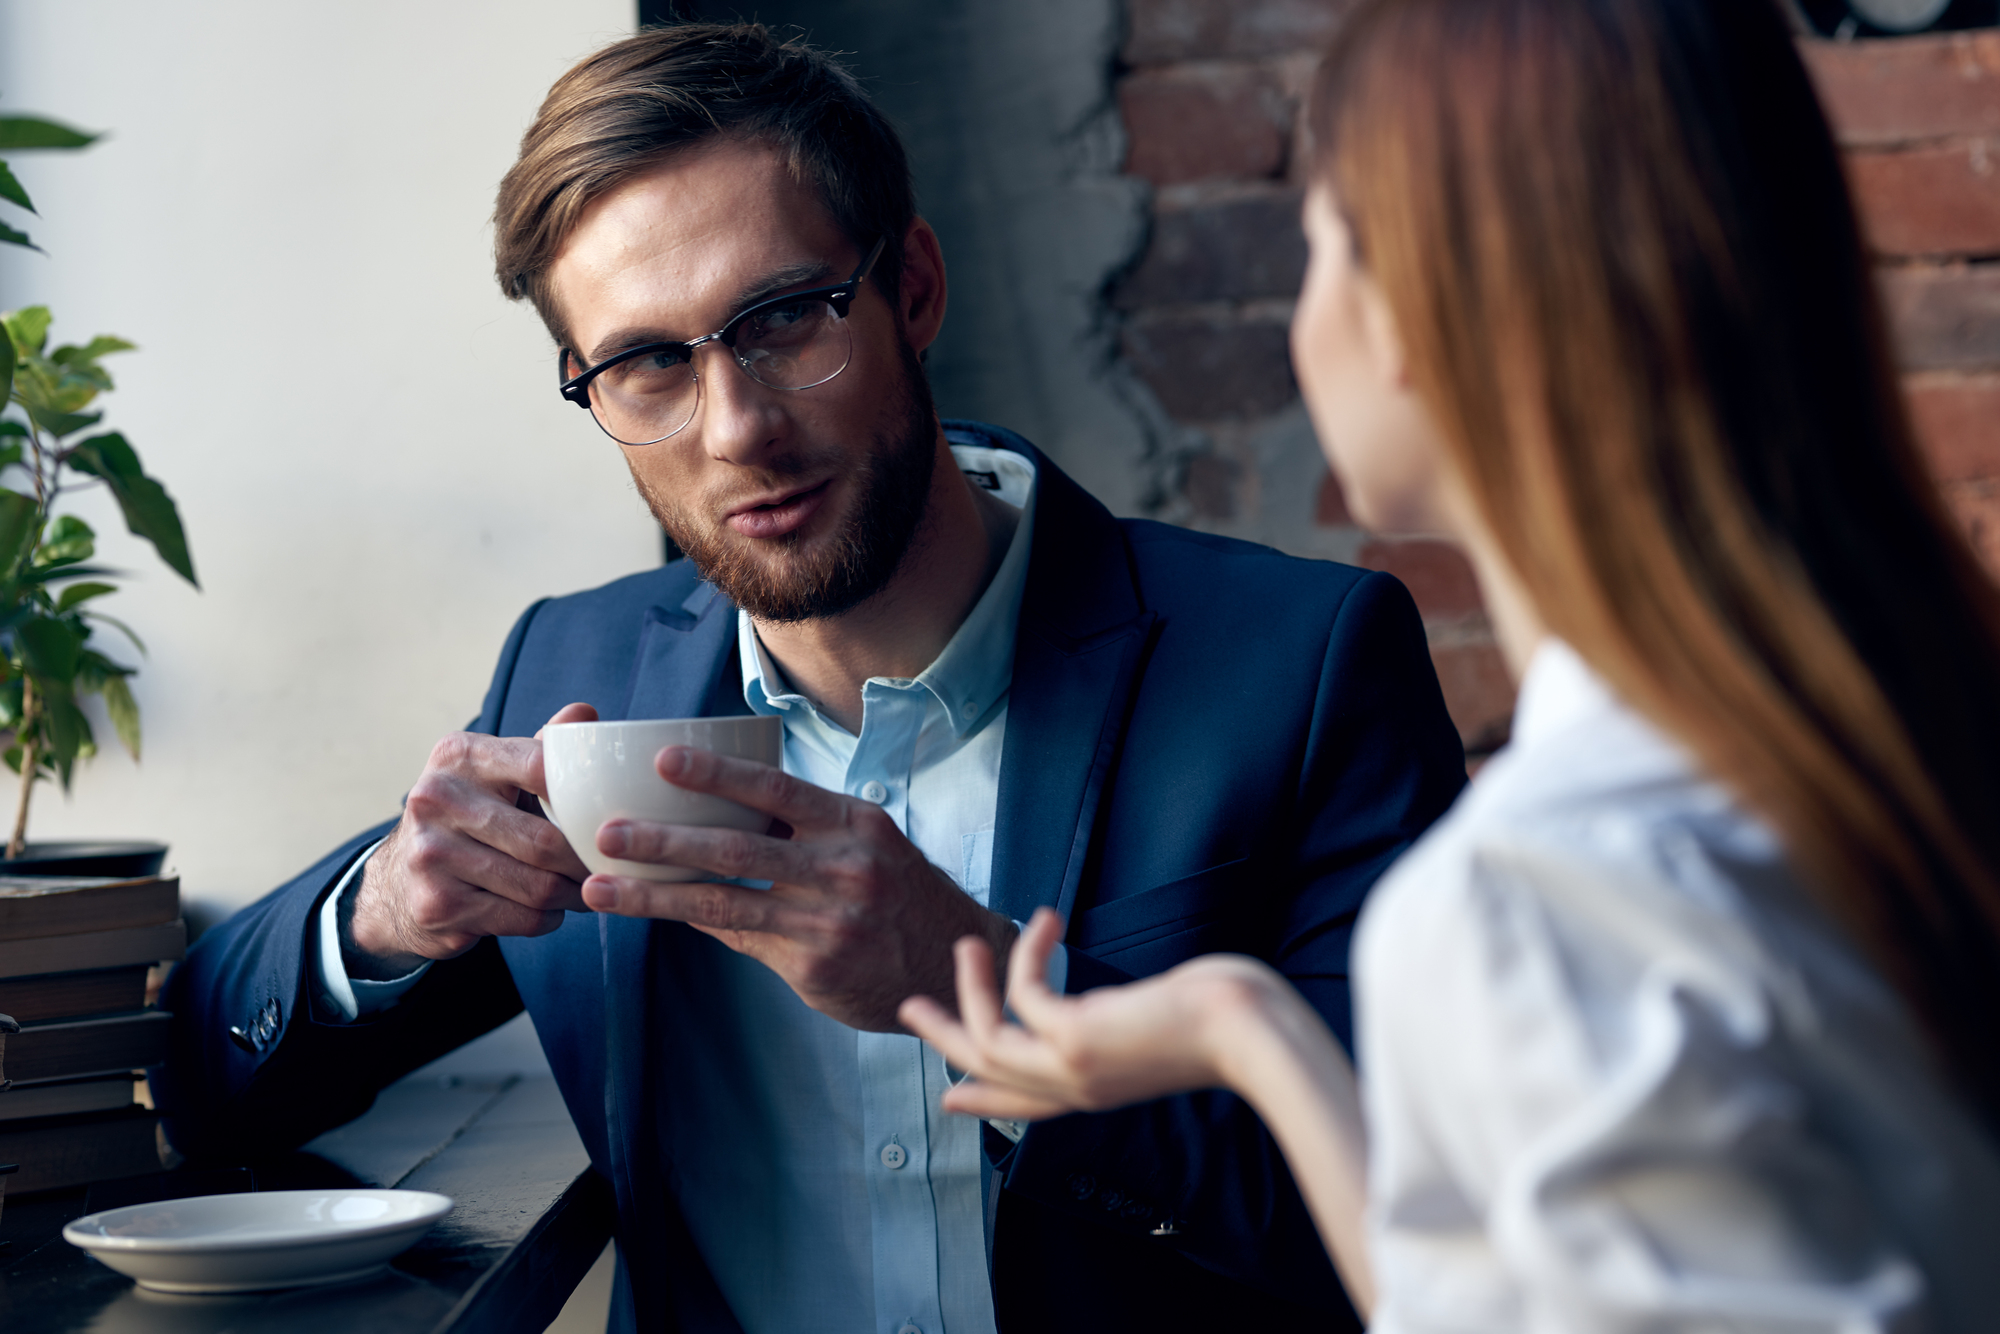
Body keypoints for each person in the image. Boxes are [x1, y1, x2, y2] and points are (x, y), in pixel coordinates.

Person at [153, 22, 1468, 1334]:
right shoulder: (576, 673)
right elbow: (201, 1078)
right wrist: (378, 916)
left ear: (915, 289)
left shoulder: (1299, 665)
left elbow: (1433, 1218)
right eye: (649, 362)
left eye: (783, 319)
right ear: (586, 387)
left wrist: (968, 976)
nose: (738, 429)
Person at [901, 1, 2000, 1330]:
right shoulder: (1889, 733)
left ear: (1412, 308)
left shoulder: (1546, 896)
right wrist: (1252, 1031)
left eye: (1317, 246)